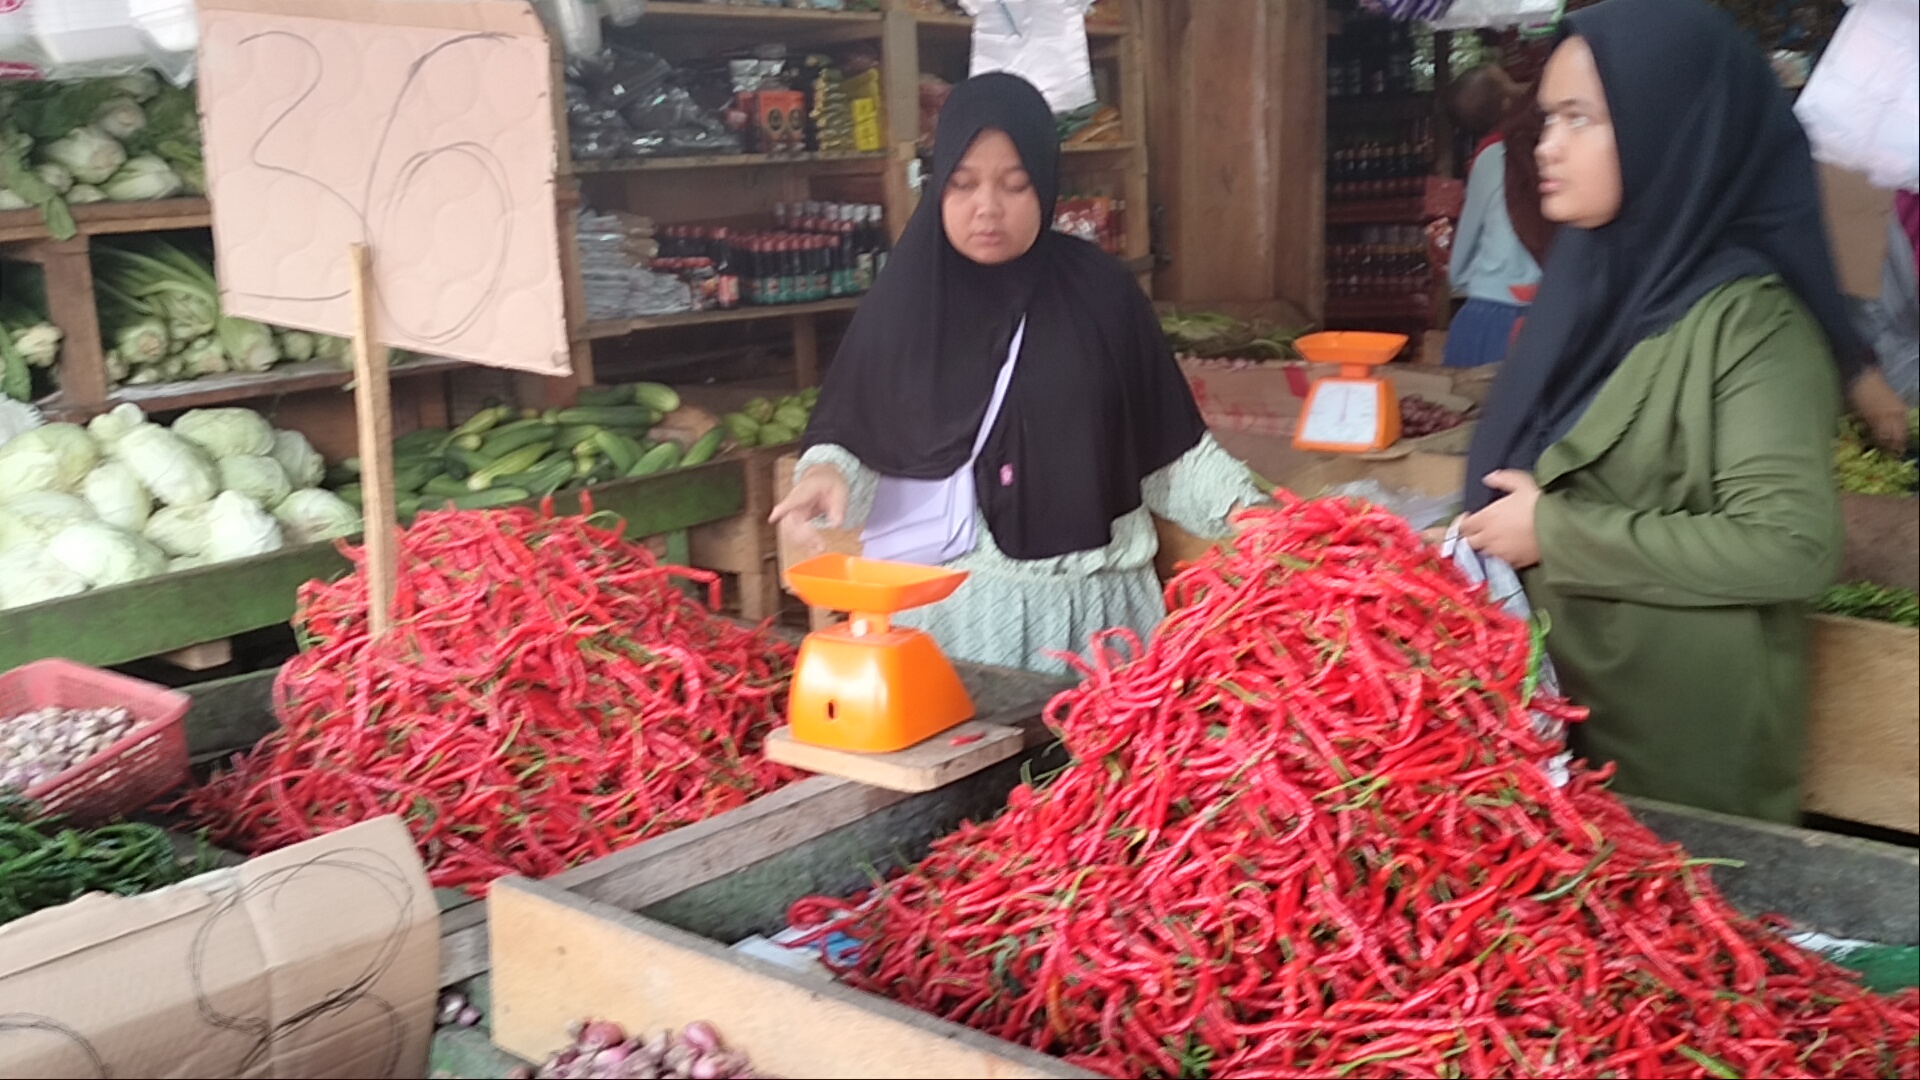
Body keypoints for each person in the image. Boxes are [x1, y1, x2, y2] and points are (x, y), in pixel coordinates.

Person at [1456, 0, 1866, 823]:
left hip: (1669, 768)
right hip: (1548, 739)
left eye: (1580, 120)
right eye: (1547, 119)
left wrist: (1558, 534)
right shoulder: (1588, 282)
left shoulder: (1752, 324)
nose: (1547, 146)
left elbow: (1789, 547)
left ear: (1670, 127)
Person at [769, 73, 1264, 677]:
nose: (987, 208)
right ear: (937, 184)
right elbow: (858, 436)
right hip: (949, 623)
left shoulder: (1101, 294)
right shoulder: (907, 303)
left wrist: (1253, 514)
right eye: (963, 183)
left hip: (1097, 624)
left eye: (1015, 185)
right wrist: (823, 473)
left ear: (1047, 184)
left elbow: (1171, 453)